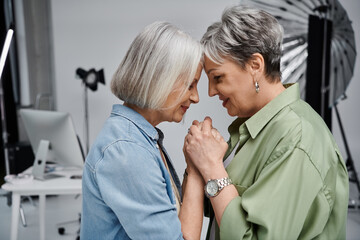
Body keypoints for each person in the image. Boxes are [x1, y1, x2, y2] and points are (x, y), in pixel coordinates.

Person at [183, 5, 349, 240]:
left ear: (255, 65)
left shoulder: (296, 137)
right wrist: (198, 165)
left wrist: (211, 166)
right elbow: (221, 210)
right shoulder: (253, 128)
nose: (210, 92)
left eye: (218, 78)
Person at [80, 21, 205, 240]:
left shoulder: (140, 138)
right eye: (190, 85)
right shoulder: (128, 152)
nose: (196, 97)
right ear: (159, 78)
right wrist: (196, 169)